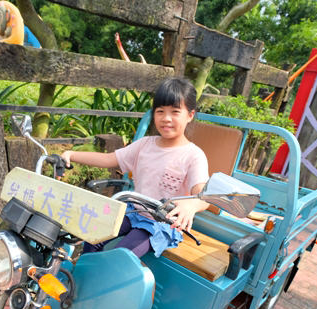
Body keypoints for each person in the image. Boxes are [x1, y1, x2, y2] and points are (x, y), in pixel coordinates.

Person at [61, 77, 209, 258]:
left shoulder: (194, 155)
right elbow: (109, 159)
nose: (166, 118)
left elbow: (204, 195)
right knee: (92, 237)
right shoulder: (145, 144)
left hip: (162, 224)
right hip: (133, 211)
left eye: (175, 112)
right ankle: (83, 280)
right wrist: (72, 155)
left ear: (190, 115)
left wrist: (191, 206)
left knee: (119, 256)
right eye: (160, 111)